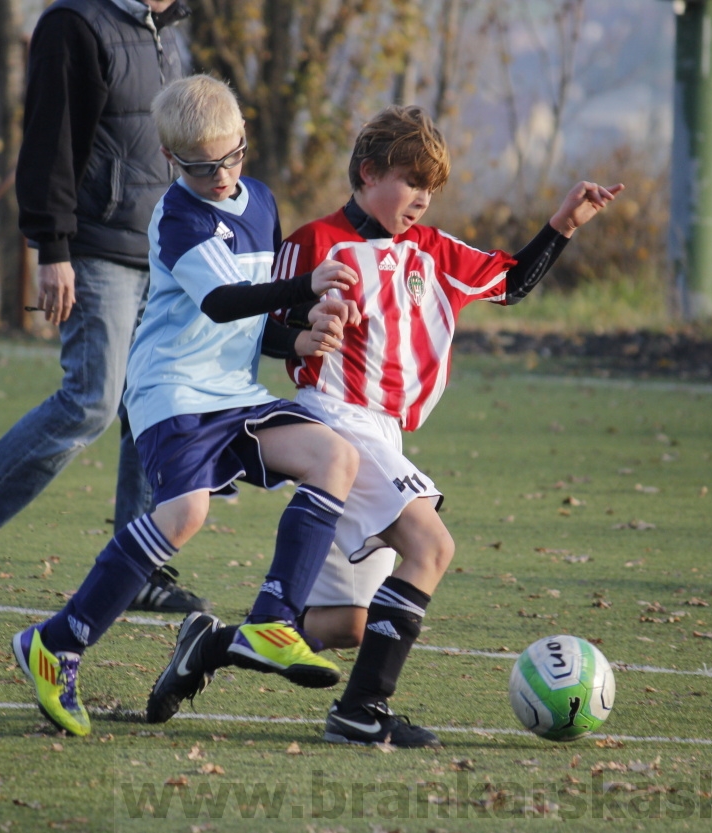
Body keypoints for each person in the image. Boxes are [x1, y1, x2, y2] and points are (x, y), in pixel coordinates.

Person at [147, 104, 623, 747]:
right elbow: (262, 328)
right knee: (432, 547)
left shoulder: (432, 252)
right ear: (368, 174)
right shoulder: (314, 244)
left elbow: (509, 285)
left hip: (384, 434)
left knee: (344, 625)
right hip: (334, 423)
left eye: (432, 189)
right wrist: (305, 340)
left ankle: (208, 649)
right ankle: (362, 711)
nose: (423, 200)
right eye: (411, 183)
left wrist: (564, 225)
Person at [10, 74, 364, 737]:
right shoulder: (179, 217)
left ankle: (272, 620)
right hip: (170, 390)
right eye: (203, 168)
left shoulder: (259, 200)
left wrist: (300, 333)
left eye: (233, 157)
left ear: (244, 140)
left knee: (334, 458)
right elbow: (222, 302)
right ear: (174, 163)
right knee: (184, 513)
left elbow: (256, 322)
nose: (224, 176)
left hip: (232, 391)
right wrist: (305, 283)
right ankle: (57, 642)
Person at [0, 0, 208, 613]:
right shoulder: (75, 23)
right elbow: (48, 140)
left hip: (157, 249)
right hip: (93, 246)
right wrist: (52, 247)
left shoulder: (166, 32)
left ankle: (139, 565)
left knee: (151, 407)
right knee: (92, 400)